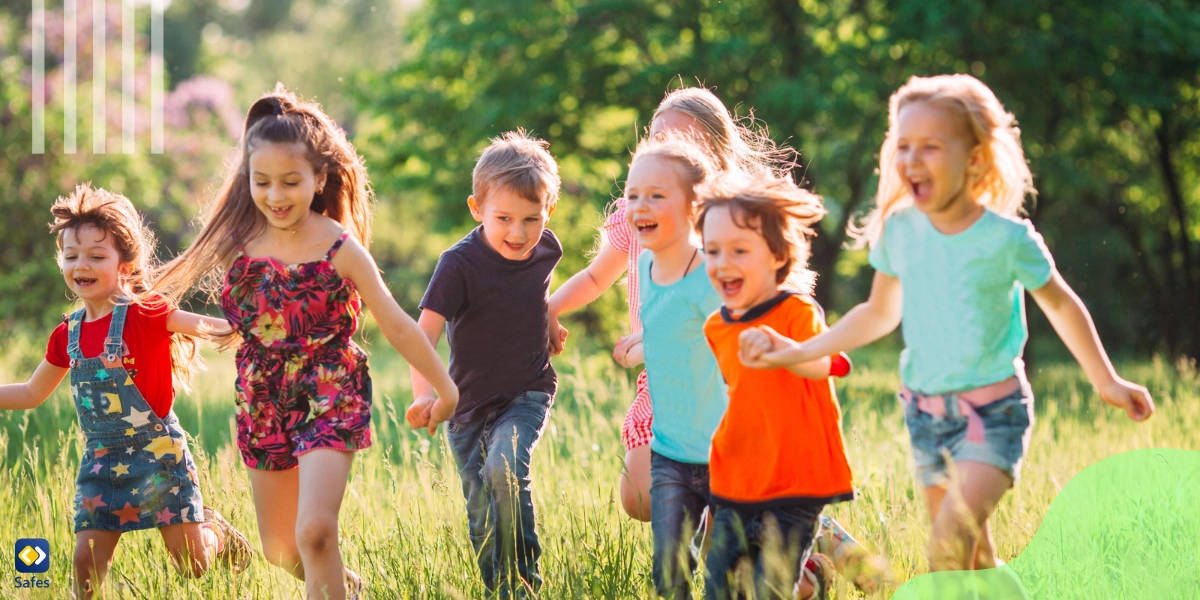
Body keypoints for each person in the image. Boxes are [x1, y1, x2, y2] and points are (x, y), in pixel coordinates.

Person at [739, 74, 1155, 573]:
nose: (912, 159)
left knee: (946, 549)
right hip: (926, 418)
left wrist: (1105, 379)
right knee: (977, 557)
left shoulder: (1007, 238)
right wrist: (794, 351)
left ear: (975, 158)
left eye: (931, 146)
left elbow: (1063, 305)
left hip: (993, 415)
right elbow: (877, 313)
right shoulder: (901, 230)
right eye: (904, 146)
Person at [153, 86, 458, 600]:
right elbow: (212, 318)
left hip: (330, 390)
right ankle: (349, 590)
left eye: (290, 182)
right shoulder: (237, 243)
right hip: (261, 399)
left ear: (319, 179)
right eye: (262, 181)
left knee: (315, 531)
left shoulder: (340, 246)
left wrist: (444, 388)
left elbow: (398, 324)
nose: (275, 196)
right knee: (282, 550)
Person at [0, 186, 251, 599]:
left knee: (193, 565)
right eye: (71, 255)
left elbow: (217, 328)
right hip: (102, 462)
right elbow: (31, 392)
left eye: (97, 256)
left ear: (126, 266)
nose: (81, 264)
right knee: (86, 559)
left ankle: (214, 535)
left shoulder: (146, 313)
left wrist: (253, 308)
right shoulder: (67, 334)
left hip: (159, 455)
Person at [406, 131, 562, 598]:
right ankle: (499, 589)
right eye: (504, 218)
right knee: (481, 514)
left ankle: (526, 583)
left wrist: (548, 320)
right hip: (466, 406)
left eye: (532, 219)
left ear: (548, 210)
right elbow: (422, 336)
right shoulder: (458, 264)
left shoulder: (547, 248)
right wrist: (424, 395)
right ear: (477, 208)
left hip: (526, 390)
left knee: (505, 466)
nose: (519, 233)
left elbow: (534, 292)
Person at [697, 174, 854, 600]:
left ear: (777, 255)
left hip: (795, 479)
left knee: (769, 588)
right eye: (712, 251)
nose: (722, 262)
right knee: (721, 589)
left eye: (739, 250)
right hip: (736, 477)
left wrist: (782, 347)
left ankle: (806, 577)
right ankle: (814, 577)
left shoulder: (796, 312)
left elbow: (825, 364)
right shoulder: (717, 327)